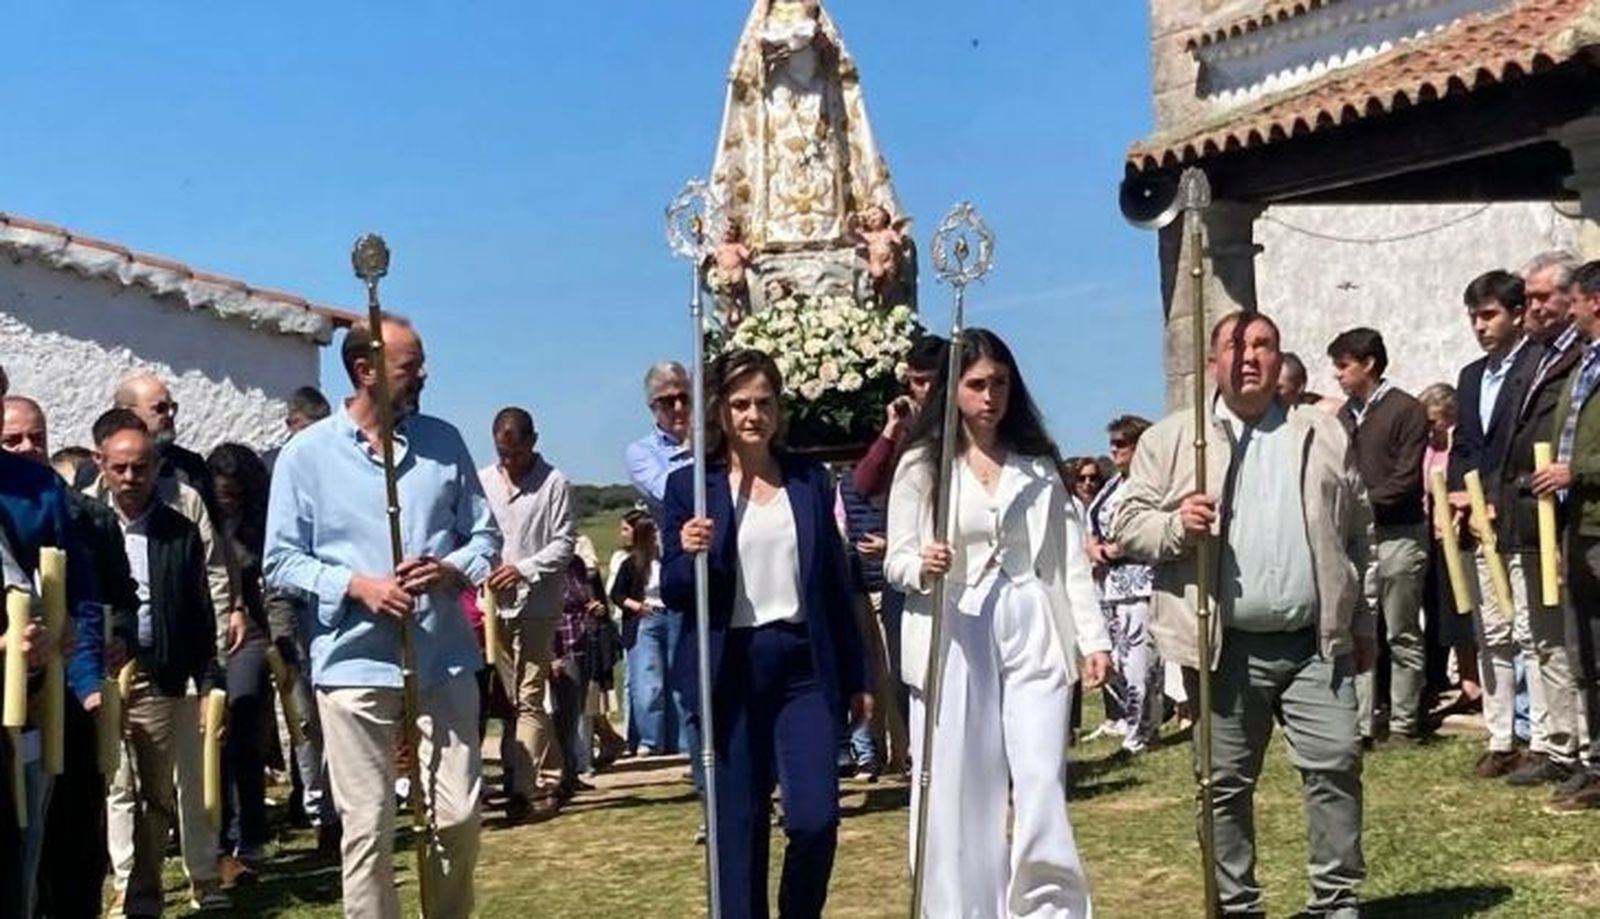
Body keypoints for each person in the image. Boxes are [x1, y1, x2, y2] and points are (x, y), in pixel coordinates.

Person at [1115, 310, 1374, 918]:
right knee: (1223, 786)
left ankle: (1334, 903)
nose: (1249, 356)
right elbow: (1127, 523)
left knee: (1336, 766)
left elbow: (1359, 530)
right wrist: (1178, 525)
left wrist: (1362, 620)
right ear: (1213, 363)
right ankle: (1238, 905)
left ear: (1279, 360)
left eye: (1263, 345)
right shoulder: (1175, 439)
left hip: (1314, 641)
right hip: (1224, 646)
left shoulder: (1321, 433)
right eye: (1235, 345)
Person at [264, 315, 500, 918]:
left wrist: (451, 570)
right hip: (352, 665)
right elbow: (281, 562)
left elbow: (485, 538)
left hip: (442, 656)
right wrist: (353, 585)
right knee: (366, 828)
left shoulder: (445, 442)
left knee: (458, 815)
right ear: (364, 371)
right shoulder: (304, 456)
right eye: (410, 366)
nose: (423, 375)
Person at [886, 328, 1112, 918]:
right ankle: (960, 907)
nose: (991, 397)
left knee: (1039, 775)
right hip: (954, 625)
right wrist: (921, 564)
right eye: (978, 385)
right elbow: (894, 556)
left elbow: (1067, 562)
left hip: (1030, 617)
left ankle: (1049, 907)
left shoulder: (1038, 468)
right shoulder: (922, 466)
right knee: (960, 782)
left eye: (1001, 384)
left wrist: (1093, 640)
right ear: (953, 391)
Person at [663, 348, 870, 919]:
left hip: (803, 664)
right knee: (739, 826)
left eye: (763, 402)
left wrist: (857, 675)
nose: (753, 415)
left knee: (816, 817)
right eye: (739, 404)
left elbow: (833, 583)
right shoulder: (692, 488)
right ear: (720, 413)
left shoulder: (809, 480)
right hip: (730, 665)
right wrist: (687, 552)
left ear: (779, 407)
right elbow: (678, 590)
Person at [2, 394, 130, 919]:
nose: (30, 449)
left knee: (50, 851)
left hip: (42, 694)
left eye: (38, 438)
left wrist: (86, 684)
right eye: (14, 439)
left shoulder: (40, 490)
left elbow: (77, 596)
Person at [92, 409, 222, 919]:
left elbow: (198, 607)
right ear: (102, 464)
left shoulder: (178, 530)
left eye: (140, 468)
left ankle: (146, 893)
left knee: (157, 791)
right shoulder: (86, 521)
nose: (131, 478)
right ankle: (125, 883)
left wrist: (209, 676)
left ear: (154, 467)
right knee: (115, 784)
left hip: (158, 671)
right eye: (120, 468)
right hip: (98, 669)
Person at [1448, 270, 1543, 778]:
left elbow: (1522, 444)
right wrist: (1463, 491)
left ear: (1516, 314)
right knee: (1491, 631)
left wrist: (1497, 495)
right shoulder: (1470, 377)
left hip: (1518, 513)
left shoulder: (1534, 367)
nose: (1480, 326)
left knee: (1529, 628)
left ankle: (1539, 735)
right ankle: (1501, 733)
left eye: (1489, 315)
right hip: (1476, 518)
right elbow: (1465, 444)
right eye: (1474, 317)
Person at [1496, 251, 1585, 786]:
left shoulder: (1581, 356)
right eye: (1526, 298)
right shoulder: (1532, 354)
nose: (1531, 307)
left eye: (1541, 297)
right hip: (1524, 511)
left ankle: (1575, 743)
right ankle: (1552, 742)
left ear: (1572, 297)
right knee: (1538, 636)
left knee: (1567, 638)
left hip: (1566, 513)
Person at [1326, 328, 1430, 746]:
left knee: (1401, 630)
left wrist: (1360, 505)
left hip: (1399, 534)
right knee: (1358, 629)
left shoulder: (1406, 410)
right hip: (1359, 539)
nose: (1337, 376)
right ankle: (1362, 724)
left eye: (1343, 366)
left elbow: (1406, 478)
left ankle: (1405, 721)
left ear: (1368, 363)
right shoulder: (1344, 417)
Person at [478, 407, 575, 821]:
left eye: (517, 453)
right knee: (513, 696)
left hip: (537, 603)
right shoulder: (483, 481)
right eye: (503, 454)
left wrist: (523, 568)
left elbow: (565, 542)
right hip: (493, 605)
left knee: (529, 697)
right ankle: (554, 774)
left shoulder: (555, 483)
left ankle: (521, 787)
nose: (510, 462)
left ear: (533, 442)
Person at [1534, 258, 1600, 812]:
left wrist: (1576, 471)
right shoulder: (1583, 366)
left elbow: (1582, 453)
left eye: (1572, 299)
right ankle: (1594, 763)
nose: (1566, 307)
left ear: (1593, 301)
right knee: (1586, 654)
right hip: (1578, 527)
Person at [206, 443, 274, 881]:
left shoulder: (260, 529)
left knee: (244, 723)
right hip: (209, 631)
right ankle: (214, 838)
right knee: (213, 735)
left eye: (236, 495)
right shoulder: (199, 522)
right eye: (222, 495)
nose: (228, 503)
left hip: (249, 631)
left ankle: (248, 833)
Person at [624, 362, 695, 757]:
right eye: (669, 401)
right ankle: (687, 749)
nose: (680, 407)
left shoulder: (715, 438)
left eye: (686, 396)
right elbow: (673, 493)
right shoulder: (641, 453)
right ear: (653, 406)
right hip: (682, 568)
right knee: (680, 672)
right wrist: (694, 449)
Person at [1086, 414, 1164, 755]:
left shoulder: (1151, 484)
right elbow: (1093, 523)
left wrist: (1121, 547)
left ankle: (1140, 731)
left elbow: (1153, 526)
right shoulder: (1112, 486)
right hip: (1110, 585)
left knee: (1140, 665)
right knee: (1115, 661)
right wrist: (1093, 547)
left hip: (1140, 583)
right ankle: (1139, 720)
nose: (1114, 449)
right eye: (1112, 443)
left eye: (1122, 443)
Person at [1417, 384, 1483, 721]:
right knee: (1438, 609)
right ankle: (1448, 678)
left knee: (1461, 608)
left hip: (1457, 536)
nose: (1430, 429)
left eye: (1434, 421)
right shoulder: (1427, 447)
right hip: (1430, 534)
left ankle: (1472, 682)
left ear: (1449, 415)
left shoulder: (1462, 447)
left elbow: (1467, 483)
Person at [852, 334, 947, 500]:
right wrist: (892, 430)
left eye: (935, 381)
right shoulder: (905, 420)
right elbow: (865, 484)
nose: (927, 389)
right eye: (919, 381)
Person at [610, 509, 662, 758]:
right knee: (647, 683)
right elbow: (616, 594)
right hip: (644, 620)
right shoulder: (630, 563)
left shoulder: (668, 560)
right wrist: (637, 606)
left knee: (675, 681)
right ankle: (648, 739)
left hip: (671, 617)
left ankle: (676, 739)